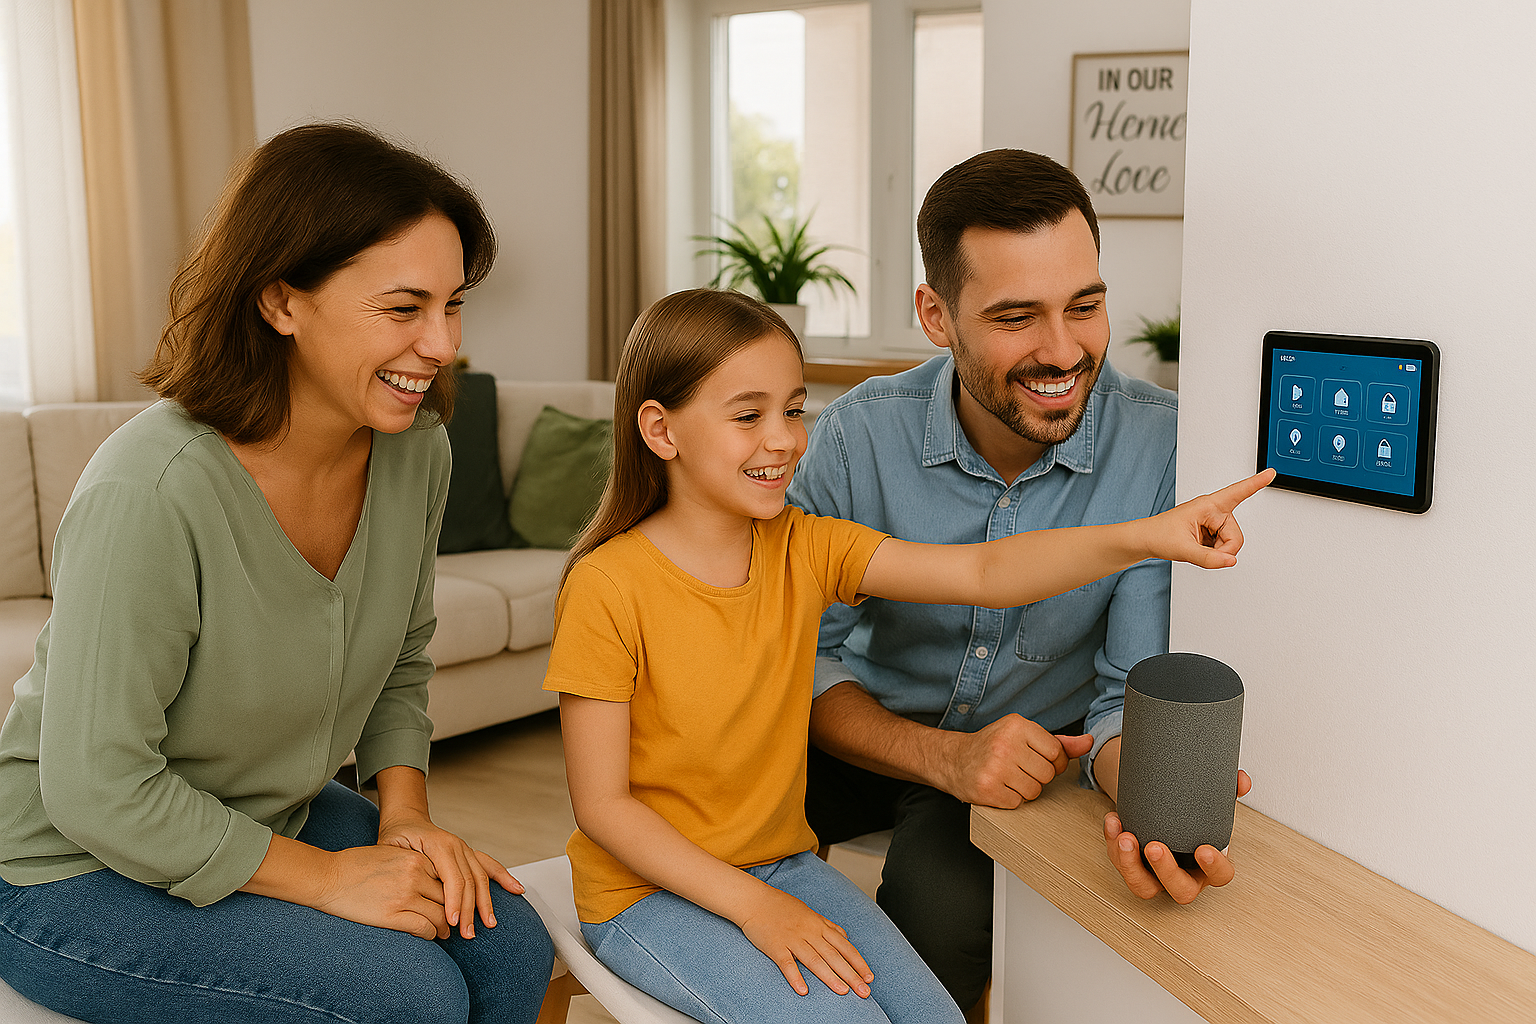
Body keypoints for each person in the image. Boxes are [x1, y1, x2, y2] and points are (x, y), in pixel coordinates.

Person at [545, 286, 1271, 1024]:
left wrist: (1148, 535)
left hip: (782, 866)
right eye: (748, 416)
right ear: (661, 432)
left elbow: (984, 572)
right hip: (644, 896)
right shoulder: (607, 587)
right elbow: (603, 809)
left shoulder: (806, 545)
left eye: (794, 410)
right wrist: (757, 907)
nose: (784, 440)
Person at [0, 123, 553, 1024]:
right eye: (404, 307)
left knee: (507, 948)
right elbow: (97, 787)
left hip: (265, 813)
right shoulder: (152, 488)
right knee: (403, 997)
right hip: (66, 870)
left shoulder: (417, 454)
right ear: (280, 301)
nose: (443, 343)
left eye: (453, 305)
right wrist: (330, 881)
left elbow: (405, 657)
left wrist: (404, 813)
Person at [786, 148, 1247, 1012]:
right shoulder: (856, 439)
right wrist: (941, 756)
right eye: (1016, 316)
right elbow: (797, 658)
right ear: (935, 314)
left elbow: (1120, 699)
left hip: (1026, 762)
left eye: (1085, 305)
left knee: (942, 918)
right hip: (857, 726)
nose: (1063, 351)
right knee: (710, 837)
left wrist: (1149, 797)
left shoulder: (1163, 447)